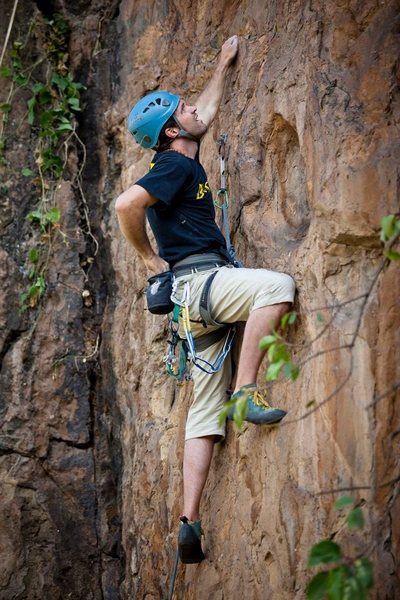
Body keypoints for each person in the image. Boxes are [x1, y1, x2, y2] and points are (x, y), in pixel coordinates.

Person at [115, 35, 295, 564]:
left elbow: (206, 112)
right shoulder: (174, 167)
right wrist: (150, 261)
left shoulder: (182, 150)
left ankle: (189, 523)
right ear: (172, 130)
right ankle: (247, 391)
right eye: (184, 108)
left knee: (202, 414)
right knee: (277, 286)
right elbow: (127, 203)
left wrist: (222, 62)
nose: (196, 109)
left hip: (192, 309)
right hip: (202, 284)